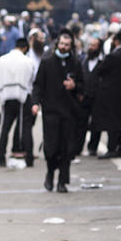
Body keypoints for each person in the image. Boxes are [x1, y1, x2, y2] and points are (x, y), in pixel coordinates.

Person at [32, 29, 84, 193]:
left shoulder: (75, 63)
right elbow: (38, 85)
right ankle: (50, 173)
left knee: (67, 148)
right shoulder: (47, 62)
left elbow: (83, 85)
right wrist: (35, 103)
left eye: (67, 45)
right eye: (61, 44)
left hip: (69, 112)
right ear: (57, 44)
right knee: (51, 147)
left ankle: (62, 181)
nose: (63, 47)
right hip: (51, 112)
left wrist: (74, 86)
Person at [0, 36, 36, 167]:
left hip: (7, 97)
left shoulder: (2, 60)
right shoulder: (27, 61)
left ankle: (0, 155)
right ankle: (29, 156)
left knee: (5, 128)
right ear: (25, 48)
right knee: (26, 128)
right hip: (23, 96)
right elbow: (31, 80)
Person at [95, 32, 121, 159]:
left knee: (112, 122)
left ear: (116, 41)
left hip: (111, 94)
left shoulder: (111, 56)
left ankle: (112, 148)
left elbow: (100, 70)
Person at [77, 37, 104, 156]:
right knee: (81, 123)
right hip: (84, 97)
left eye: (94, 45)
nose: (91, 48)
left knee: (96, 124)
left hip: (98, 98)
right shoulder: (83, 61)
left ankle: (93, 147)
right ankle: (77, 147)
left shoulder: (103, 62)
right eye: (90, 45)